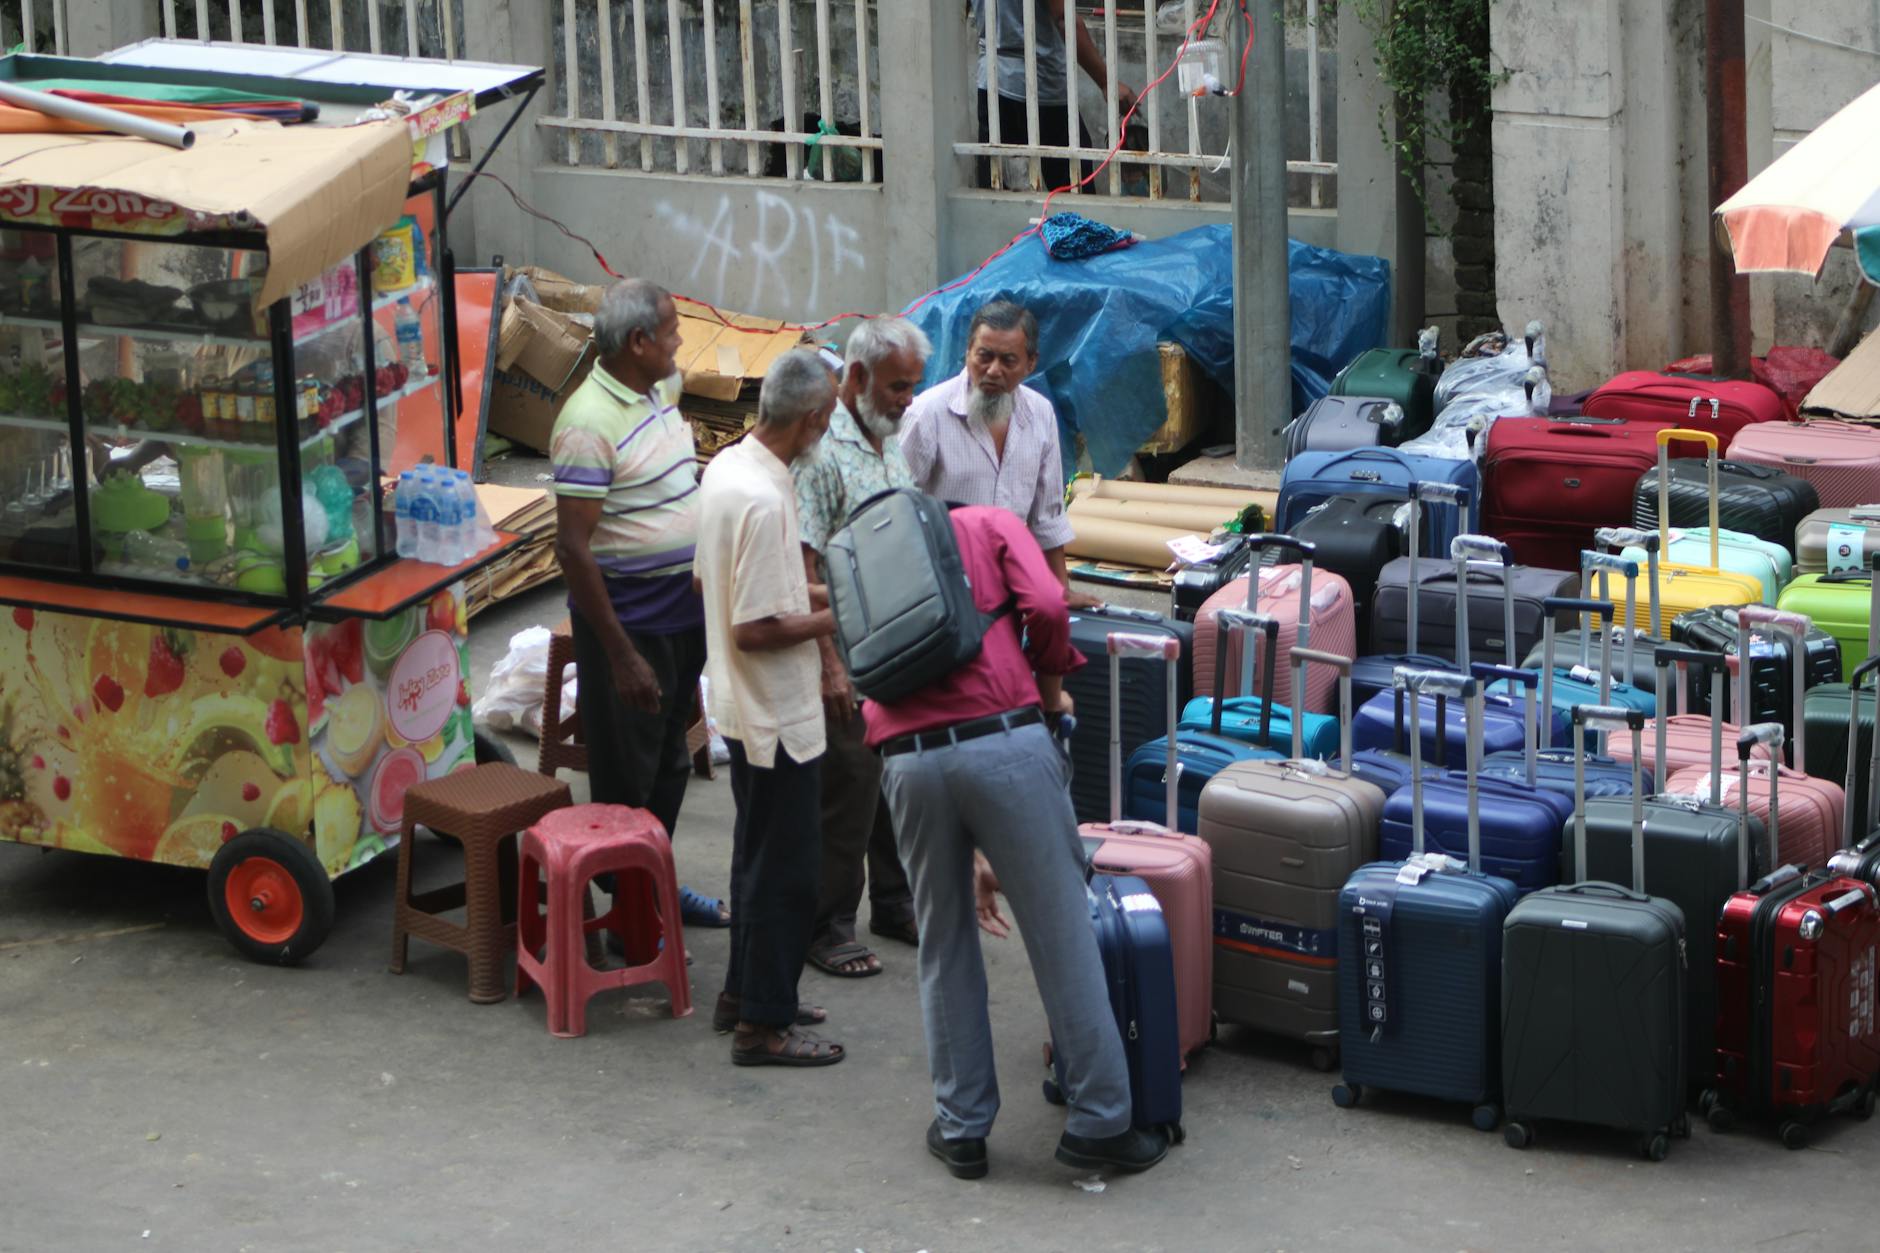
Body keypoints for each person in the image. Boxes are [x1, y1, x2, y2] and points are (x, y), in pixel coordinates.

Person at [865, 502, 1168, 1177]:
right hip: (1002, 738)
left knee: (942, 942)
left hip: (905, 760)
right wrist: (1050, 686)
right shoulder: (989, 523)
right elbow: (1050, 607)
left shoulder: (867, 551)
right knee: (1062, 930)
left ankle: (962, 1128)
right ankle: (1099, 1121)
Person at [550, 277, 729, 930]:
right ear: (638, 341)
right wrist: (621, 655)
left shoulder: (662, 389)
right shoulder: (586, 424)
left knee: (671, 762)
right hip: (633, 626)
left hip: (683, 614)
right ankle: (630, 916)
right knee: (629, 779)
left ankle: (651, 885)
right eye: (672, 330)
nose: (680, 340)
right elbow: (573, 548)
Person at [696, 348, 845, 1066]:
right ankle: (765, 1025)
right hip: (774, 711)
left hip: (742, 705)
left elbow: (737, 584)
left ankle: (746, 994)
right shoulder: (760, 496)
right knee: (787, 872)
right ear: (814, 418)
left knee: (757, 859)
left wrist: (829, 591)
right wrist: (835, 619)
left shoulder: (733, 466)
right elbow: (752, 628)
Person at [790, 317, 933, 979]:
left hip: (893, 641)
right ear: (856, 378)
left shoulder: (888, 439)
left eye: (913, 387)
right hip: (843, 645)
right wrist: (828, 663)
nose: (908, 399)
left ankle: (896, 901)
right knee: (847, 785)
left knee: (895, 778)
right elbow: (804, 562)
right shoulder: (821, 453)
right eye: (897, 386)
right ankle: (826, 923)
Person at [899, 299, 1100, 609]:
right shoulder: (928, 414)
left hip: (1009, 579)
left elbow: (1046, 515)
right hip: (942, 581)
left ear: (1031, 363)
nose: (993, 370)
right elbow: (897, 509)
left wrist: (1061, 590)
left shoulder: (1040, 413)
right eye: (984, 357)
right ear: (967, 353)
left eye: (1008, 360)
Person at [970, 0, 1137, 191]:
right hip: (1040, 87)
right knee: (1073, 190)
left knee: (998, 190)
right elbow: (1065, 19)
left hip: (992, 83)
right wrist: (1106, 82)